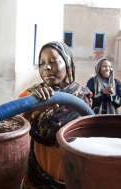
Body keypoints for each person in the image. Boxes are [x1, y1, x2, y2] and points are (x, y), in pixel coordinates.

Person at [18, 41, 92, 189]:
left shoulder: (82, 96)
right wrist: (33, 106)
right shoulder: (30, 95)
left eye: (53, 62)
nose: (47, 67)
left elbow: (89, 137)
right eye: (42, 63)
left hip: (71, 174)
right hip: (36, 174)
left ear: (68, 63)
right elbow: (16, 129)